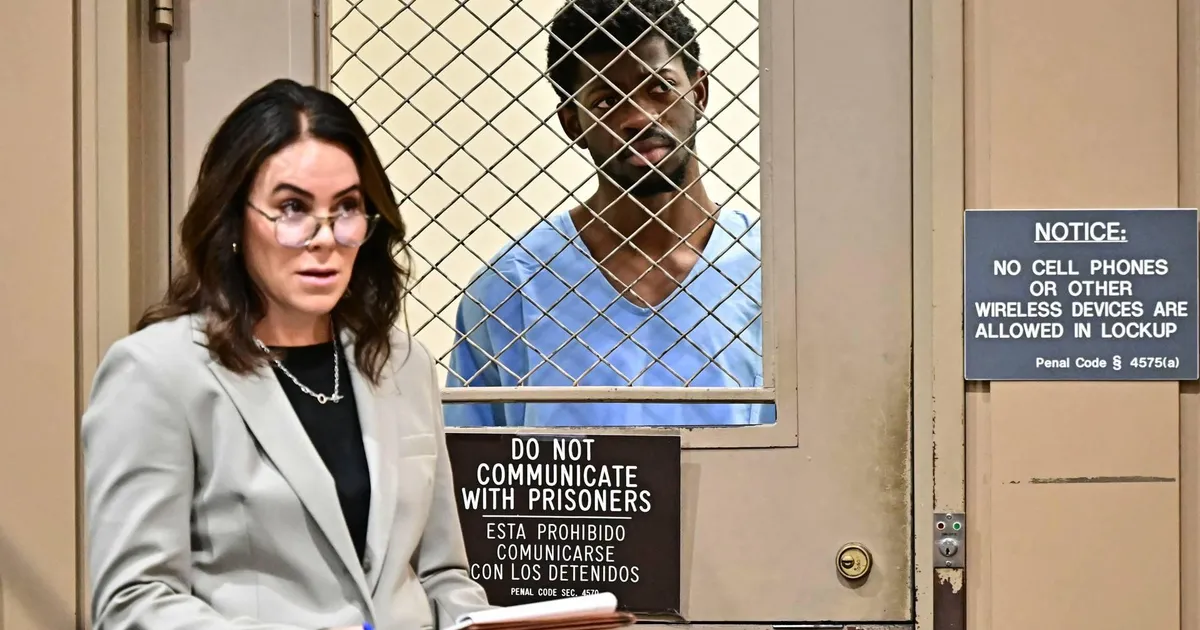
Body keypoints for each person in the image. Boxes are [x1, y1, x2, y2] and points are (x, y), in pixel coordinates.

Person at [81, 79, 491, 630]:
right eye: (292, 208)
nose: (325, 238)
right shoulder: (155, 372)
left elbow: (441, 578)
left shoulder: (402, 362)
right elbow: (133, 602)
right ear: (234, 219)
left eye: (347, 208)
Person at [444, 0, 771, 427]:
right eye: (605, 101)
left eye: (660, 87)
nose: (639, 117)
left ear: (699, 93)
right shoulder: (512, 287)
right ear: (572, 124)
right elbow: (470, 459)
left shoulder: (772, 271)